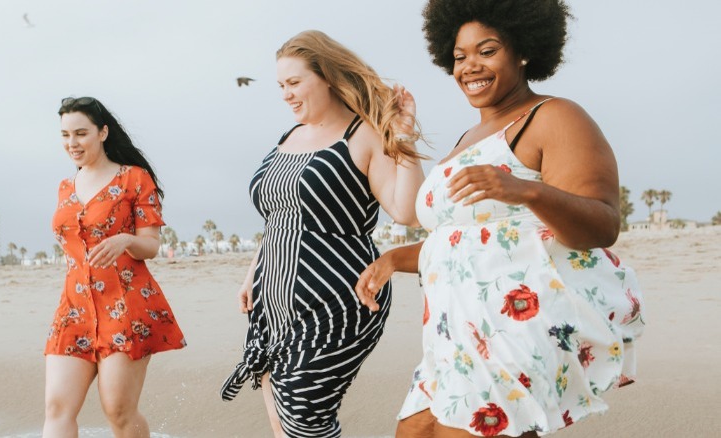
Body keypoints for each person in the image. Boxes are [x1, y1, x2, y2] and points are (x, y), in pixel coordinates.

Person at [355, 1, 646, 436]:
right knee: (413, 431)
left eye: (486, 51)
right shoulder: (466, 139)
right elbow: (466, 240)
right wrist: (395, 259)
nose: (469, 66)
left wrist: (528, 190)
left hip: (511, 329)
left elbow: (602, 225)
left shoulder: (555, 117)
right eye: (459, 56)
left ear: (523, 51)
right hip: (450, 334)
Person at [220, 30, 426, 437]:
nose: (286, 95)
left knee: (304, 418)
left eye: (294, 83)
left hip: (337, 299)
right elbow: (279, 217)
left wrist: (403, 137)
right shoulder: (288, 137)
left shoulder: (362, 135)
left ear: (328, 77)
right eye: (281, 85)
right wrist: (252, 275)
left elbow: (405, 210)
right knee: (282, 417)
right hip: (272, 300)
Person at [44, 96, 186, 437]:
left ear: (103, 132)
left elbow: (151, 245)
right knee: (57, 408)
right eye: (65, 135)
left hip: (125, 307)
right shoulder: (65, 187)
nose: (72, 143)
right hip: (74, 310)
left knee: (118, 410)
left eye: (80, 133)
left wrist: (125, 241)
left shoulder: (133, 179)